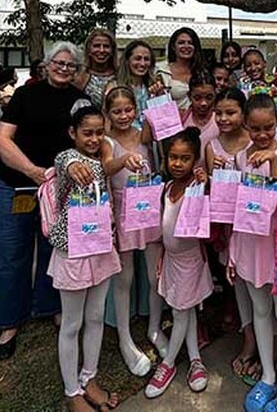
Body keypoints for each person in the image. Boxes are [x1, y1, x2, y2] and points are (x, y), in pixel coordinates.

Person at [0, 42, 86, 360]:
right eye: (58, 63)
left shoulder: (80, 102)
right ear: (46, 64)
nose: (63, 69)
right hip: (14, 185)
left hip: (57, 190)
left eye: (70, 66)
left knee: (53, 250)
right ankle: (8, 320)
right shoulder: (25, 94)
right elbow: (2, 138)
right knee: (10, 254)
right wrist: (32, 171)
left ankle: (50, 307)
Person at [227, 94, 277, 412]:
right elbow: (235, 207)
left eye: (268, 128)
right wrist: (233, 251)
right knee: (260, 310)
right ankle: (269, 376)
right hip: (248, 244)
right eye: (255, 128)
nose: (262, 135)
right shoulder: (240, 156)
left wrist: (272, 162)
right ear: (246, 125)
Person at [48, 104, 122, 412]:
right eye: (86, 133)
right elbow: (65, 161)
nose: (93, 139)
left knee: (95, 318)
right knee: (72, 323)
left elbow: (103, 168)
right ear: (72, 133)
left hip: (101, 248)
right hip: (74, 252)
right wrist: (69, 163)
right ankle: (72, 391)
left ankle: (89, 378)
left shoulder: (99, 159)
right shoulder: (69, 158)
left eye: (99, 133)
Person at [144, 127, 212, 398]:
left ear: (195, 160)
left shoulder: (197, 188)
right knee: (184, 309)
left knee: (181, 312)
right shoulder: (167, 187)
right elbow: (164, 228)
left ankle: (168, 363)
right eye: (173, 157)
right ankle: (195, 359)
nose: (178, 163)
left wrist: (205, 183)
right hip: (171, 260)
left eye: (185, 158)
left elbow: (206, 211)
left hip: (190, 261)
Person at [101, 85, 164, 376]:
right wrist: (122, 160)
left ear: (135, 111)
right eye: (117, 111)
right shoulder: (106, 141)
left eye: (128, 110)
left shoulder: (143, 135)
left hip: (149, 207)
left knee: (154, 275)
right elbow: (104, 169)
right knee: (123, 278)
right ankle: (125, 338)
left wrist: (157, 99)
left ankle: (154, 327)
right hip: (123, 212)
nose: (124, 115)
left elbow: (160, 128)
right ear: (108, 114)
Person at [205, 87, 257, 385]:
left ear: (243, 113)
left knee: (259, 286)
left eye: (230, 112)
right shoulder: (212, 147)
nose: (223, 118)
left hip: (255, 228)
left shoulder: (256, 141)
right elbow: (214, 190)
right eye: (219, 113)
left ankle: (265, 342)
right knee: (238, 284)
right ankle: (249, 338)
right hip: (230, 227)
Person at [110, 39, 163, 126]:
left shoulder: (155, 85)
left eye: (146, 59)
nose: (142, 64)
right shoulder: (114, 86)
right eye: (137, 59)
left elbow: (164, 120)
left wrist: (159, 97)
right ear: (127, 60)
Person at [159, 27, 204, 110]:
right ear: (173, 46)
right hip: (172, 120)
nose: (186, 46)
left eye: (190, 43)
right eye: (181, 43)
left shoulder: (202, 72)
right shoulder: (162, 71)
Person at [76, 29, 117, 108]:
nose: (101, 50)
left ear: (112, 51)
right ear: (88, 49)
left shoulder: (120, 76)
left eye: (106, 46)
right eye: (96, 46)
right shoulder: (79, 76)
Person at [182, 72, 218, 152]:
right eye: (197, 98)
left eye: (209, 97)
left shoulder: (220, 120)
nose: (203, 103)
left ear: (215, 94)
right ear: (189, 96)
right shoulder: (182, 119)